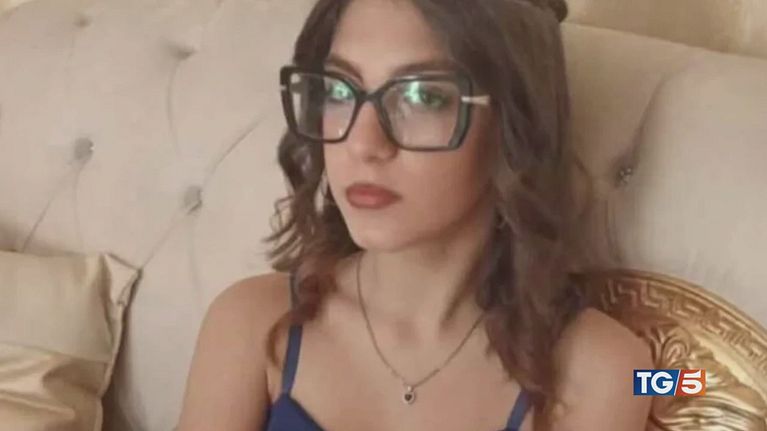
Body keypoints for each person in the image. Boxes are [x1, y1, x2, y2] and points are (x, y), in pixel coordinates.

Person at [176, 0, 653, 430]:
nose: (363, 143)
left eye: (423, 97)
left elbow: (675, 384)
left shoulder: (603, 370)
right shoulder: (249, 325)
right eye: (339, 90)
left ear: (513, 125)